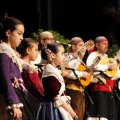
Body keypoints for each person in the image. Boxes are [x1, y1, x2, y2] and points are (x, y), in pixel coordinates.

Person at [0, 16, 38, 120]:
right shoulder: (4, 53)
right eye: (19, 33)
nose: (22, 37)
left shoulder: (12, 53)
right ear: (8, 33)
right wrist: (14, 104)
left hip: (19, 94)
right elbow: (5, 79)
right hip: (10, 97)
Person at [37, 42, 78, 120]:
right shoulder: (50, 73)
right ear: (53, 55)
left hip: (60, 106)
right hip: (52, 108)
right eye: (62, 54)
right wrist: (71, 112)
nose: (64, 56)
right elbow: (56, 98)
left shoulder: (54, 71)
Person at [86, 36, 120, 120]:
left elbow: (115, 76)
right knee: (99, 116)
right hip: (99, 91)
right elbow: (90, 68)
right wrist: (107, 66)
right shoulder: (93, 55)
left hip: (109, 91)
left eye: (107, 44)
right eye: (104, 44)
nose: (106, 46)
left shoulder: (107, 57)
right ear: (97, 45)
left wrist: (118, 64)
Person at [62, 37, 90, 120]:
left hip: (80, 90)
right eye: (80, 45)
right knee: (74, 116)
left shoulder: (79, 59)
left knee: (80, 116)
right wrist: (81, 74)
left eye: (84, 45)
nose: (83, 47)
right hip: (72, 90)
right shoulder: (68, 56)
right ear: (73, 47)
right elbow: (67, 72)